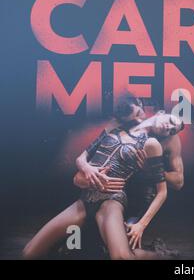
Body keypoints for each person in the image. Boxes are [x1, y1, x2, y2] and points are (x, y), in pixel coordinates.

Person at [22, 97, 184, 260]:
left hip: (111, 201)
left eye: (172, 130)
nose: (169, 127)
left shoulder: (152, 144)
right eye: (170, 121)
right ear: (162, 113)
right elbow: (82, 158)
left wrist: (141, 225)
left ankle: (161, 256)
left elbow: (162, 192)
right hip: (84, 200)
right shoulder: (115, 125)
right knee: (29, 253)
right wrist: (87, 168)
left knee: (121, 258)